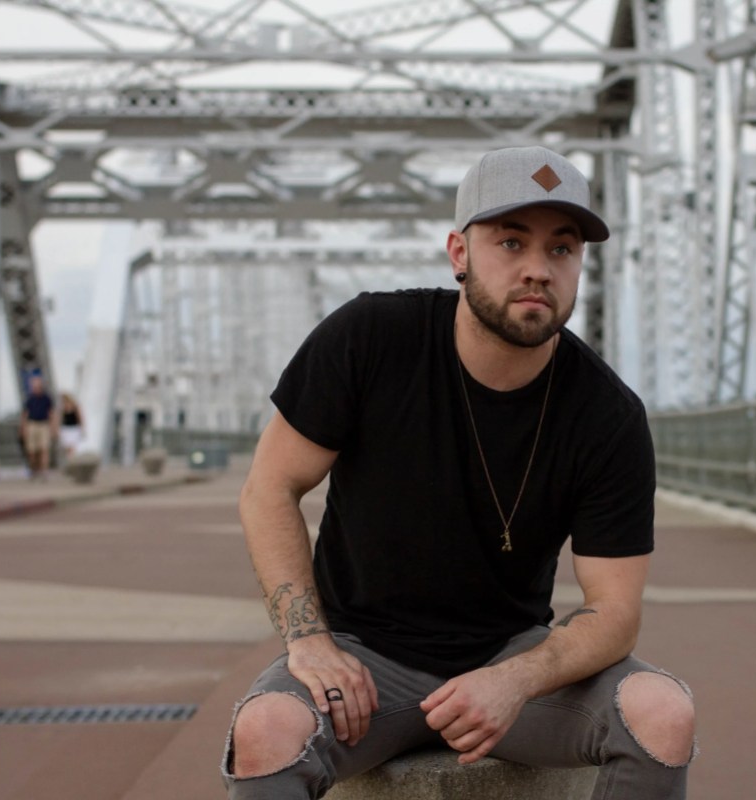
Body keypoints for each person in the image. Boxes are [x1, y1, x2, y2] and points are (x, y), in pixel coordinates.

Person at [225, 146, 697, 799]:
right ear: (459, 253)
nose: (537, 268)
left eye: (561, 250)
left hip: (510, 653)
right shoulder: (370, 338)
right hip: (364, 659)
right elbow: (268, 489)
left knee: (662, 714)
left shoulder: (607, 415)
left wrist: (517, 680)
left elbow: (615, 611)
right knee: (268, 726)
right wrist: (308, 640)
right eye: (510, 241)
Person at [19, 374, 58, 480]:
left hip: (44, 425)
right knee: (32, 451)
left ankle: (44, 472)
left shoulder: (47, 398)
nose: (35, 388)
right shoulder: (29, 399)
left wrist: (54, 428)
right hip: (32, 425)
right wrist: (23, 429)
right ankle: (34, 470)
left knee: (44, 449)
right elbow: (24, 415)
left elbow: (52, 413)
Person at [58, 393, 84, 461]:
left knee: (72, 447)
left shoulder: (75, 407)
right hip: (66, 429)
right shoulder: (63, 408)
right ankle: (69, 460)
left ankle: (72, 460)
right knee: (67, 447)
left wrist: (82, 428)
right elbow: (60, 419)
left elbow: (80, 418)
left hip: (74, 429)